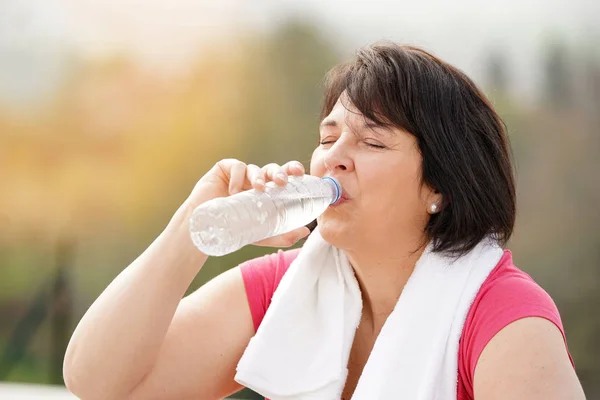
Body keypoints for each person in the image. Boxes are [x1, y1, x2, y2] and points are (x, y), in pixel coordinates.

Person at [63, 43, 585, 400]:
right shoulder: (286, 288)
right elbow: (100, 382)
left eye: (373, 141)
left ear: (440, 190)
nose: (334, 157)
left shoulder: (503, 316)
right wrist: (193, 224)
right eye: (327, 136)